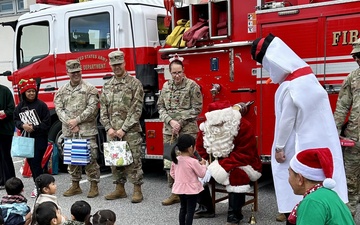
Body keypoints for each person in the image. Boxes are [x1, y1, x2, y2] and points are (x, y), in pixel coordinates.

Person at [251, 34, 348, 224]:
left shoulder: (290, 86)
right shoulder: (309, 78)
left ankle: (293, 213)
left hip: (300, 147)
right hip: (324, 145)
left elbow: (286, 121)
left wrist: (279, 148)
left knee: (294, 183)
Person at [195, 100, 262, 225]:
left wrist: (222, 166)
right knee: (195, 171)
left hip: (243, 163)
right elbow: (200, 149)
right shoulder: (206, 128)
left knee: (237, 175)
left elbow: (245, 155)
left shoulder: (243, 126)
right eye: (216, 124)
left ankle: (234, 215)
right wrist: (202, 162)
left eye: (222, 123)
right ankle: (206, 208)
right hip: (216, 163)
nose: (219, 126)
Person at [157, 54, 203, 206]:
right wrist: (170, 121)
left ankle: (194, 192)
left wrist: (180, 122)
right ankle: (175, 192)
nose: (177, 76)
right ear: (170, 72)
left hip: (187, 130)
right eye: (174, 73)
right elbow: (160, 107)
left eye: (179, 72)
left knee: (189, 161)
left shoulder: (192, 86)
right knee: (170, 160)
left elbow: (197, 108)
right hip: (169, 130)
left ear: (183, 71)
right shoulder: (165, 86)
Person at [100, 50, 144, 203]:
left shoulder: (134, 84)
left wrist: (123, 129)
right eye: (114, 65)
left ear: (124, 63)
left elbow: (136, 109)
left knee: (134, 161)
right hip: (112, 131)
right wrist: (109, 128)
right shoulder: (107, 86)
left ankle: (137, 189)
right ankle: (120, 189)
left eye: (119, 64)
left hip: (130, 130)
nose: (116, 67)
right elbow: (103, 110)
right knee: (115, 161)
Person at [54, 59, 100, 198]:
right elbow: (58, 108)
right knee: (72, 159)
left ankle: (93, 185)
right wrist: (69, 123)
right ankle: (75, 185)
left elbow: (92, 108)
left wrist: (77, 121)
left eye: (78, 71)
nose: (76, 74)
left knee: (90, 158)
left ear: (81, 71)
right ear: (67, 72)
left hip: (86, 130)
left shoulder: (90, 89)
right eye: (73, 72)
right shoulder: (61, 91)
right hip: (69, 131)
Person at [287, 148, 354, 225]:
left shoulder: (312, 202)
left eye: (289, 174)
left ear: (300, 178)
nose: (288, 179)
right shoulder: (330, 194)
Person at [334, 38, 360, 217]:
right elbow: (342, 107)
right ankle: (349, 218)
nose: (357, 59)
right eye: (356, 56)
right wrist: (334, 133)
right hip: (354, 140)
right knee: (351, 182)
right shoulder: (352, 78)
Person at [14, 78, 51, 198]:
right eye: (28, 91)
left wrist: (35, 127)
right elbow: (15, 120)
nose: (31, 93)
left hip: (39, 139)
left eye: (33, 91)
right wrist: (22, 125)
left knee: (36, 163)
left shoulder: (41, 105)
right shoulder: (21, 106)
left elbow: (47, 123)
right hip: (27, 140)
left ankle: (40, 186)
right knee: (32, 163)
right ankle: (41, 184)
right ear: (24, 92)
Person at [170, 134, 207, 225]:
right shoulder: (193, 162)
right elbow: (201, 174)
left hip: (179, 189)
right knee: (190, 211)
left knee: (183, 208)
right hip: (191, 190)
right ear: (191, 148)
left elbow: (172, 173)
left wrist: (180, 180)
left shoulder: (176, 160)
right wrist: (203, 165)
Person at [0, 84, 16, 190]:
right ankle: (1, 180)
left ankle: (11, 181)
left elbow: (11, 109)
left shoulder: (5, 91)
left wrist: (2, 113)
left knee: (5, 155)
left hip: (5, 129)